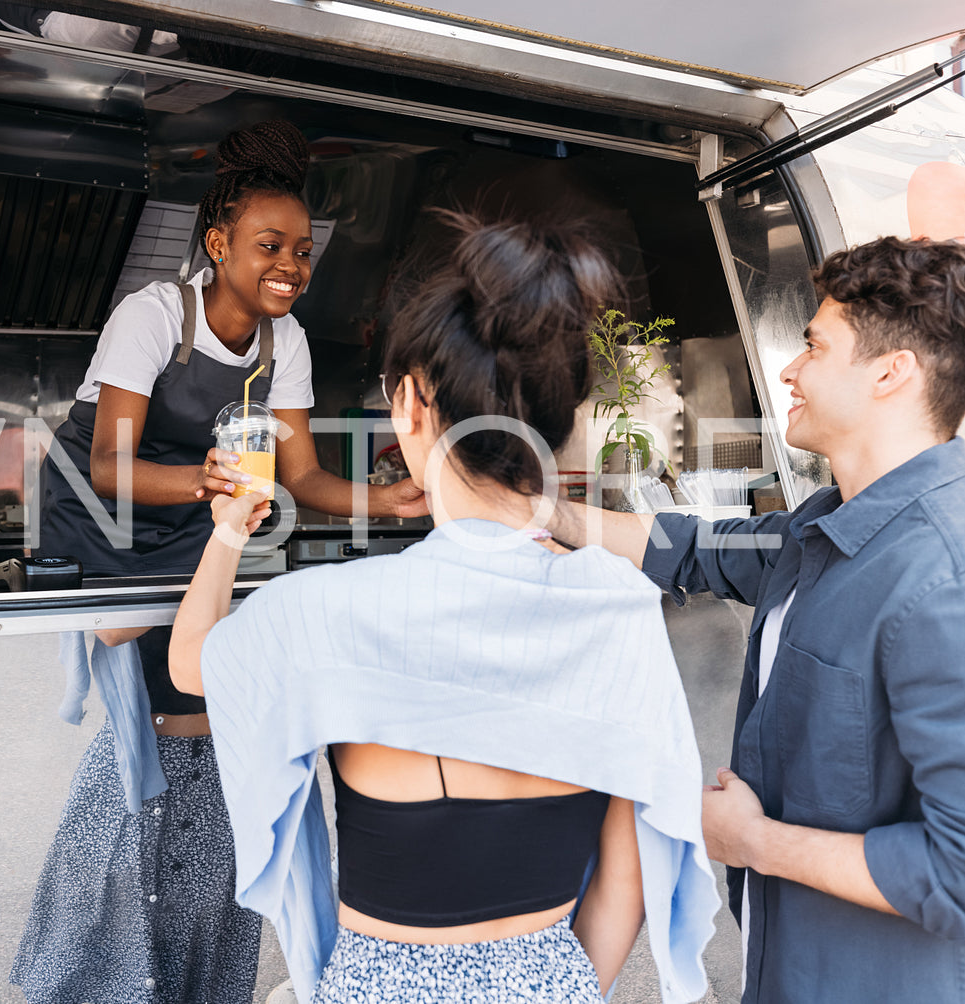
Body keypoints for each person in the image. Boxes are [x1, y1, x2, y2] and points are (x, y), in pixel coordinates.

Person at [168, 214, 718, 1003]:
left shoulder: (326, 610)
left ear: (410, 407)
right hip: (551, 984)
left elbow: (193, 666)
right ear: (559, 420)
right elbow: (626, 878)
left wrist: (226, 533)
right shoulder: (616, 609)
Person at [10, 120, 426, 1004]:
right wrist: (205, 484)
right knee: (158, 689)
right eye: (269, 246)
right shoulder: (157, 314)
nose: (290, 265)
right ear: (217, 245)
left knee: (204, 692)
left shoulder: (288, 345)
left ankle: (180, 908)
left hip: (199, 512)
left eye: (303, 251)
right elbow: (109, 465)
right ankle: (110, 933)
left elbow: (305, 474)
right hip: (99, 510)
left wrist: (387, 500)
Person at [546, 235, 965, 1001]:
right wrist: (539, 512)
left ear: (889, 372)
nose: (788, 368)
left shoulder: (941, 577)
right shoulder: (829, 522)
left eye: (813, 346)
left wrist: (754, 843)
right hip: (784, 962)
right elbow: (701, 550)